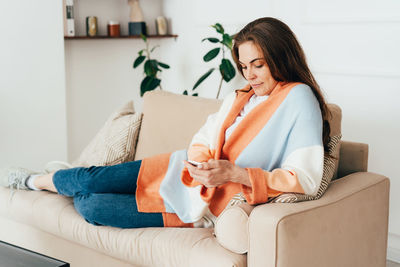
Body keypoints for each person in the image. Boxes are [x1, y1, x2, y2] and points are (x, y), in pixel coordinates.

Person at [0, 17, 331, 229]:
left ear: (279, 57)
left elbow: (304, 179)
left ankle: (58, 186)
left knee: (92, 205)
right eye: (244, 66)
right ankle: (34, 180)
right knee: (92, 177)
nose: (250, 75)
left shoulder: (298, 98)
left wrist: (233, 173)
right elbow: (204, 135)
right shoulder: (241, 96)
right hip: (181, 170)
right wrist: (201, 161)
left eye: (258, 65)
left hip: (205, 205)